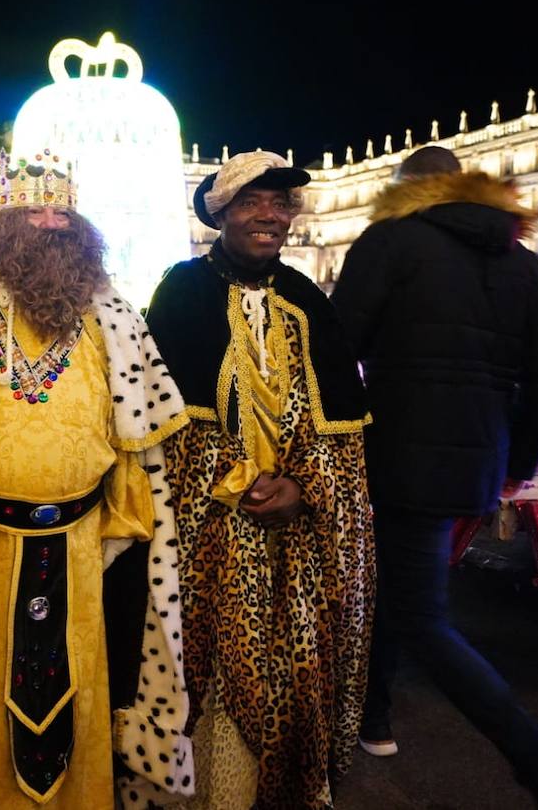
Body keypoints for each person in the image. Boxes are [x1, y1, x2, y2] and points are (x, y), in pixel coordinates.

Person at [332, 145, 538, 810]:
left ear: (406, 189)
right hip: (477, 457)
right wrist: (514, 464)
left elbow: (336, 347)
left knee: (422, 618)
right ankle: (372, 719)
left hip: (397, 450)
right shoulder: (518, 261)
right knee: (399, 584)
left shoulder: (392, 241)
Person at [0, 150, 190, 807]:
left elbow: (139, 427)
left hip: (77, 550)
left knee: (74, 697)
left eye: (60, 210)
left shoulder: (106, 308)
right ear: (1, 218)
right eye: (32, 208)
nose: (48, 222)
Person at [140, 151, 375, 809]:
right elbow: (161, 426)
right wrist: (232, 480)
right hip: (204, 531)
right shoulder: (182, 291)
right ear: (221, 212)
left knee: (295, 671)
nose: (269, 215)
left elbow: (342, 434)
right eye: (252, 202)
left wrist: (303, 487)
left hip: (296, 538)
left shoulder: (306, 298)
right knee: (201, 665)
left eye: (281, 203)